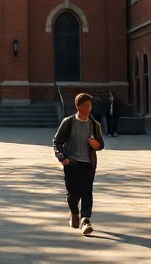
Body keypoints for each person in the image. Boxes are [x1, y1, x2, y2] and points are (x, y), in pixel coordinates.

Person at [52, 91, 106, 236]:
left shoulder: (94, 124)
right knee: (73, 194)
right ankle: (74, 213)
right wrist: (62, 157)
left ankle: (85, 220)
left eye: (90, 106)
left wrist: (96, 144)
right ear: (78, 106)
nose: (89, 109)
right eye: (86, 106)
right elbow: (57, 142)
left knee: (87, 191)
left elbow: (101, 145)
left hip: (89, 163)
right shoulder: (68, 122)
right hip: (71, 163)